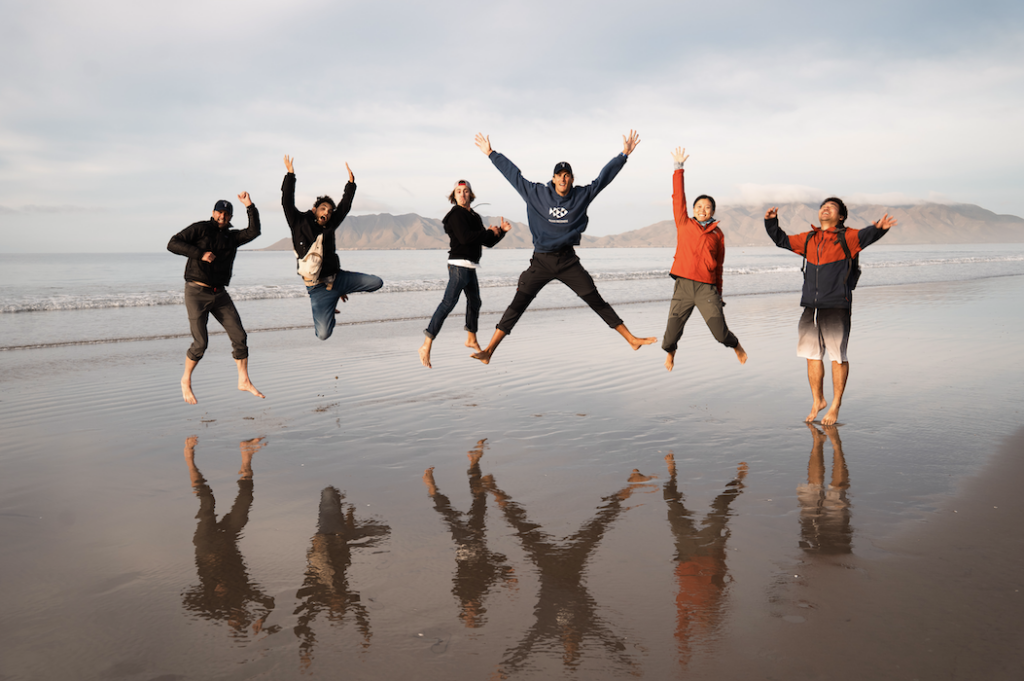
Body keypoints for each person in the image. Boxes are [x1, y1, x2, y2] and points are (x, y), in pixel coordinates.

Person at [470, 131, 656, 364]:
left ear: (571, 178)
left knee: (595, 299)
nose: (563, 179)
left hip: (567, 261)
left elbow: (603, 179)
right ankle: (489, 350)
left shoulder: (582, 195)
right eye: (559, 175)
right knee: (518, 304)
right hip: (541, 261)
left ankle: (630, 339)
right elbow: (513, 175)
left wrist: (624, 154)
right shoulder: (536, 193)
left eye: (567, 175)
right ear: (554, 178)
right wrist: (491, 153)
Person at [764, 198, 897, 424]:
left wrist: (879, 229)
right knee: (811, 356)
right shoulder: (808, 239)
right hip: (810, 306)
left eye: (832, 207)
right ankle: (818, 400)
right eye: (823, 206)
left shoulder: (848, 237)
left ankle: (835, 405)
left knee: (837, 357)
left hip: (836, 304)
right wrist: (771, 222)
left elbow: (867, 235)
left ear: (841, 216)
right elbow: (782, 240)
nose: (826, 208)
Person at [168, 194, 265, 404]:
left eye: (226, 213)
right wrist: (199, 253)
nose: (222, 216)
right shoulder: (201, 228)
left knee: (239, 336)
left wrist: (249, 205)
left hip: (219, 293)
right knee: (201, 343)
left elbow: (254, 231)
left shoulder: (232, 237)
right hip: (196, 292)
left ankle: (244, 380)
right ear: (213, 213)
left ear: (230, 217)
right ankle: (185, 379)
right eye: (219, 212)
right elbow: (173, 243)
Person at [662, 146, 747, 371]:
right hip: (683, 286)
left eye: (707, 207)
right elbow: (677, 197)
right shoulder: (684, 223)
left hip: (706, 289)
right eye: (699, 206)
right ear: (693, 209)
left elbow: (718, 267)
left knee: (720, 334)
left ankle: (736, 344)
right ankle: (671, 354)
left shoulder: (718, 235)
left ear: (712, 211)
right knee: (670, 336)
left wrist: (718, 294)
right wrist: (678, 168)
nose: (703, 209)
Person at [281, 155, 383, 341]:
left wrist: (351, 184)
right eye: (323, 208)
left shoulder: (329, 226)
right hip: (318, 289)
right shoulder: (298, 222)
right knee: (323, 334)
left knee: (377, 282)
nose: (326, 212)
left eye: (329, 211)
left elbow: (344, 207)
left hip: (339, 279)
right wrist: (290, 174)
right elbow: (286, 201)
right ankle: (328, 307)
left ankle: (338, 294)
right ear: (315, 209)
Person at [419, 181, 511, 368]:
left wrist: (500, 232)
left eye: (465, 191)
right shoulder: (456, 215)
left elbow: (486, 242)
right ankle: (426, 344)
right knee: (448, 303)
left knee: (475, 301)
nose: (462, 194)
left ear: (471, 195)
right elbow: (465, 238)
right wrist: (488, 232)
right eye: (458, 191)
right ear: (454, 196)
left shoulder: (474, 216)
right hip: (458, 266)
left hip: (470, 266)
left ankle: (471, 338)